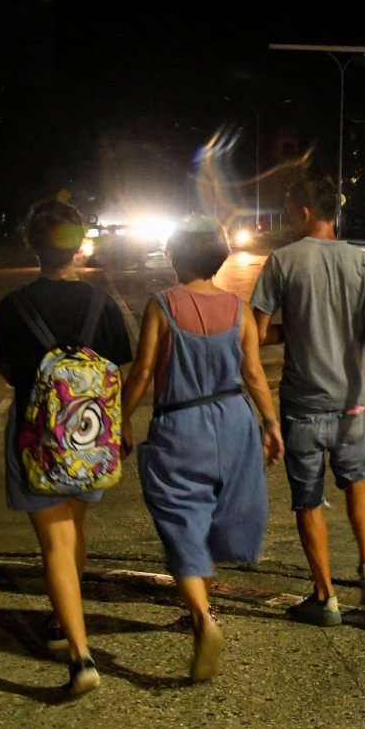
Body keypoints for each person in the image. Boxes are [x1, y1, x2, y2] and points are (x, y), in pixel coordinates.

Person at [119, 217, 282, 682]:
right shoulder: (239, 309)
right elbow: (254, 375)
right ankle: (203, 606)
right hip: (235, 421)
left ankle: (202, 618)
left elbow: (144, 372)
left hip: (180, 422)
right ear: (220, 257)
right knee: (212, 520)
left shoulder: (163, 306)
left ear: (174, 256)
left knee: (181, 521)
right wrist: (270, 424)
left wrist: (121, 419)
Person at [250, 177, 365, 627]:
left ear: (305, 213)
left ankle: (325, 599)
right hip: (351, 406)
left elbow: (256, 334)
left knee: (308, 500)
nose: (285, 220)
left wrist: (291, 331)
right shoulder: (364, 263)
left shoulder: (282, 262)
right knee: (357, 480)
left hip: (301, 407)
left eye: (287, 211)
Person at [0, 199, 134, 696]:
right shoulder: (102, 302)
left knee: (54, 540)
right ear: (78, 245)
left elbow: (9, 371)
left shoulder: (14, 306)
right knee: (75, 528)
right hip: (91, 437)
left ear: (33, 246)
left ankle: (80, 655)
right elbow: (120, 365)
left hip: (38, 439)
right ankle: (61, 620)